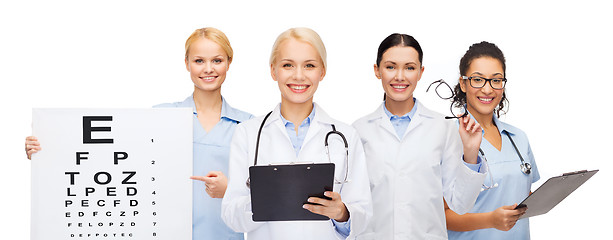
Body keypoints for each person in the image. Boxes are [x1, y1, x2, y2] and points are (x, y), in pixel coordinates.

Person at [25, 27, 252, 240]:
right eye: (199, 61)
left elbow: (263, 194)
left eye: (217, 61)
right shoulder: (159, 117)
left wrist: (229, 190)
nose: (208, 69)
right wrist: (47, 149)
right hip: (162, 232)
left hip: (223, 234)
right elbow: (108, 156)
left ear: (229, 63)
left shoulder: (248, 125)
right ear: (186, 63)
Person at [221, 27, 372, 240]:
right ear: (273, 71)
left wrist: (341, 213)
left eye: (309, 65)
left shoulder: (346, 136)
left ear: (322, 71)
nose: (299, 75)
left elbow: (363, 214)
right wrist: (261, 201)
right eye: (287, 65)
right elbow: (231, 215)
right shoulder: (248, 133)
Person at [351, 33, 486, 239]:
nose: (400, 76)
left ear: (421, 72)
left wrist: (470, 154)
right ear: (377, 71)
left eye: (410, 67)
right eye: (390, 66)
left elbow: (460, 203)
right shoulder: (358, 131)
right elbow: (353, 205)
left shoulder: (444, 128)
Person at [445, 41, 539, 240]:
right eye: (478, 80)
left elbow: (522, 193)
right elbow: (441, 214)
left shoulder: (519, 138)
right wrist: (490, 220)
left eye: (496, 80)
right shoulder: (446, 137)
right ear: (463, 84)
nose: (488, 90)